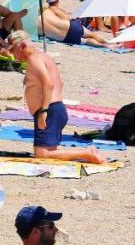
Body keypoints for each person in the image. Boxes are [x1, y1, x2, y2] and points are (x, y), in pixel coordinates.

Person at [8, 32, 108, 164]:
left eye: (13, 50)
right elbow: (60, 83)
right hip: (56, 109)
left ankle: (87, 152)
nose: (13, 55)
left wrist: (43, 111)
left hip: (49, 111)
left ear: (22, 45)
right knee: (50, 153)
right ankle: (88, 154)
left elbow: (48, 83)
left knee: (42, 154)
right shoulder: (43, 56)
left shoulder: (34, 58)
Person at [39, 0, 113, 46]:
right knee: (92, 33)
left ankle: (105, 46)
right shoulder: (54, 10)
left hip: (65, 36)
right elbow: (66, 18)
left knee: (86, 41)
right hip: (73, 24)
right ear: (57, 0)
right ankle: (107, 38)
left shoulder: (47, 11)